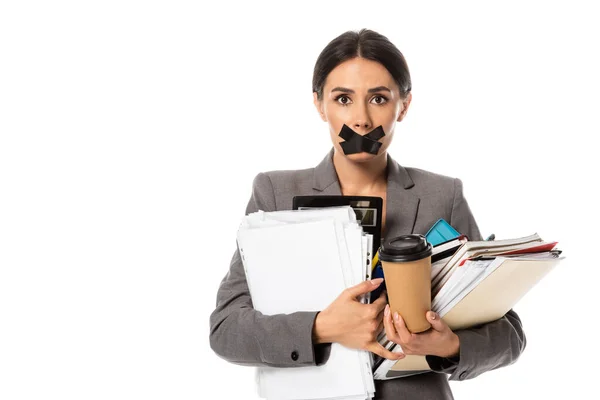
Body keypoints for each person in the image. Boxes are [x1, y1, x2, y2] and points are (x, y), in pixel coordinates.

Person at [209, 28, 526, 399]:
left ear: (403, 106)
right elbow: (227, 329)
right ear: (319, 104)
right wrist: (321, 327)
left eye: (378, 98)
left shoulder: (442, 195)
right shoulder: (276, 192)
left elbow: (509, 334)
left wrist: (448, 346)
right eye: (343, 98)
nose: (360, 120)